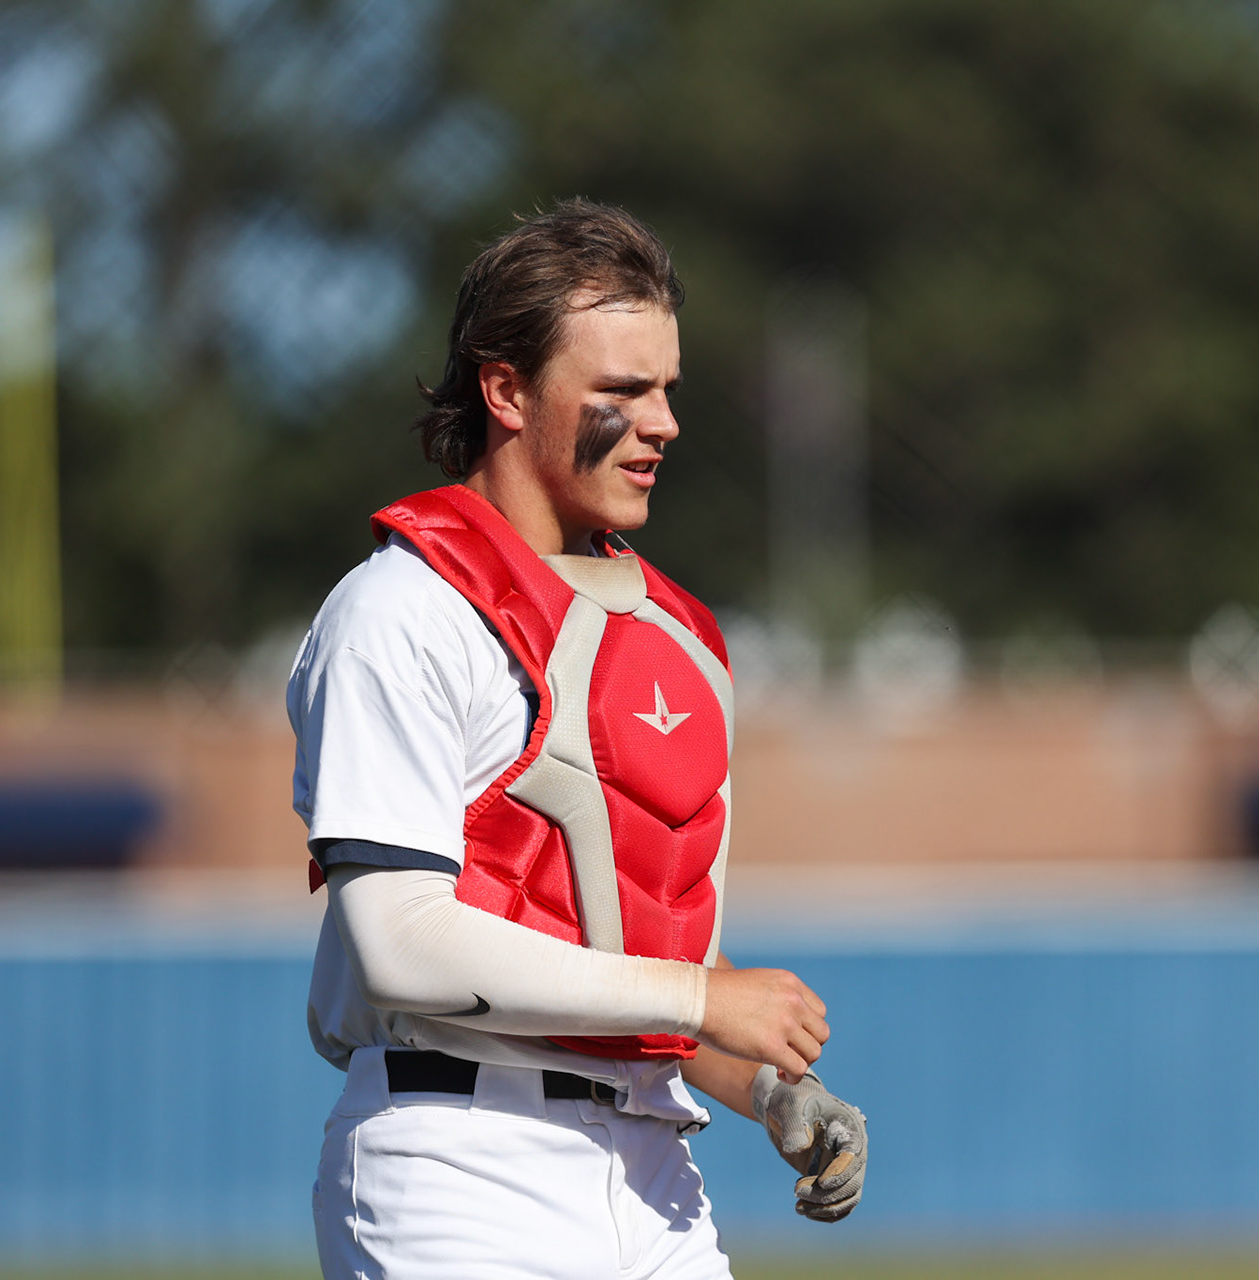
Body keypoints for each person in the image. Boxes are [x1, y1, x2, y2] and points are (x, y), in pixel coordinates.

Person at [288, 198, 868, 1280]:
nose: (664, 423)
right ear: (506, 390)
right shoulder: (400, 610)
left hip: (656, 1174)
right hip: (456, 1165)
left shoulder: (677, 638)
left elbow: (629, 963)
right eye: (622, 391)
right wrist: (704, 998)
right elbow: (400, 941)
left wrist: (764, 1087)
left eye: (667, 389)